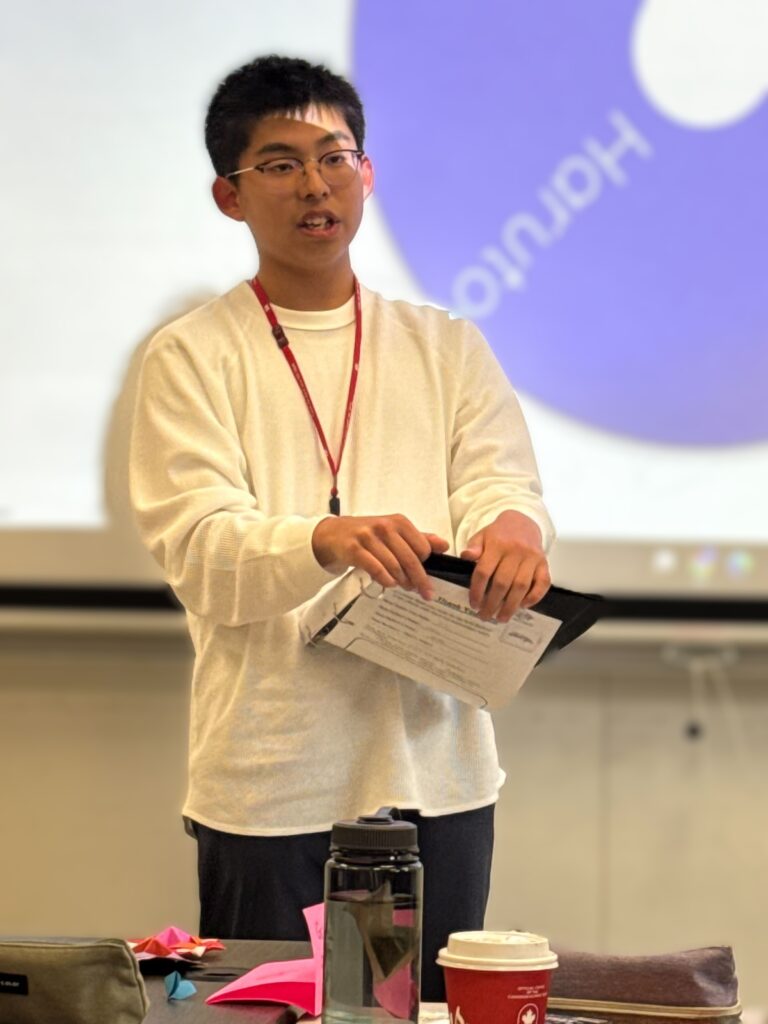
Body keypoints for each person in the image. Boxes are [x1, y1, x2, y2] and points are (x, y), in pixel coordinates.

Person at [129, 54, 554, 1001]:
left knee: (434, 1012)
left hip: (438, 771)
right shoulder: (191, 356)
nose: (315, 185)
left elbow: (501, 483)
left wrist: (514, 533)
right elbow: (200, 550)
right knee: (272, 1015)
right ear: (229, 195)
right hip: (273, 778)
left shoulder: (445, 346)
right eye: (280, 164)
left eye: (336, 157)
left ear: (367, 173)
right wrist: (322, 541)